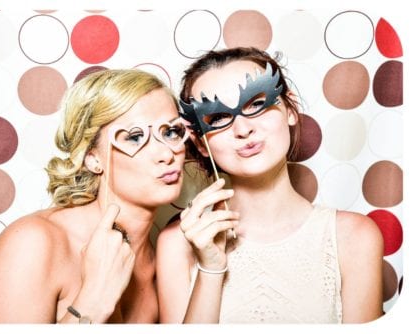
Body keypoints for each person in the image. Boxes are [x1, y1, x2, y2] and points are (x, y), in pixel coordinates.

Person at [156, 47, 384, 323]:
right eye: (217, 118)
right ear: (201, 143)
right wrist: (211, 270)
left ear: (290, 108)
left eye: (256, 104)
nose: (242, 129)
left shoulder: (354, 237)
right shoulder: (176, 245)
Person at [0, 69, 189, 323]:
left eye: (170, 133)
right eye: (135, 137)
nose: (166, 154)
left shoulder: (164, 256)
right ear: (93, 158)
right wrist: (93, 300)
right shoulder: (33, 243)